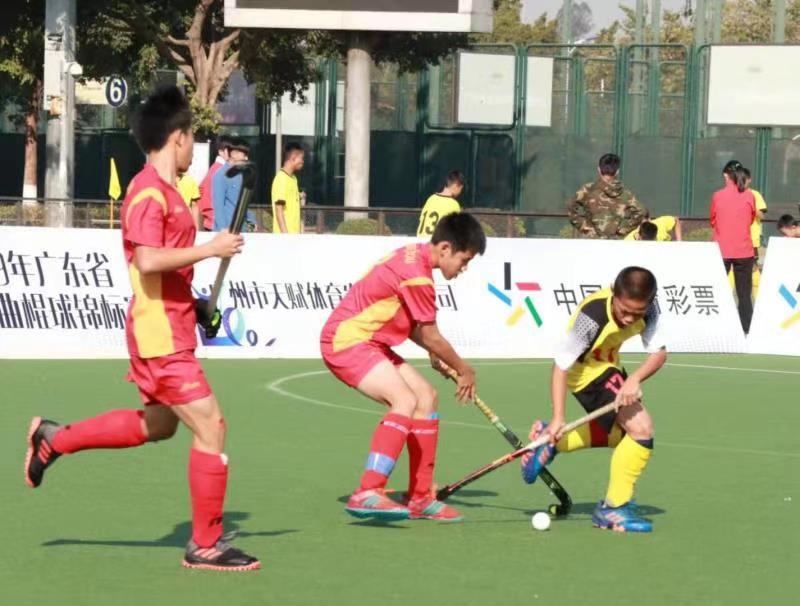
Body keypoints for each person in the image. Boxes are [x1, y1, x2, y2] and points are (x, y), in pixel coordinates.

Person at [23, 86, 260, 571]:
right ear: (178, 137)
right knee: (211, 426)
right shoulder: (149, 192)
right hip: (159, 335)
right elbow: (148, 260)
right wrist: (211, 249)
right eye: (192, 137)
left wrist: (195, 304)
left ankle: (54, 438)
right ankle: (205, 545)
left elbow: (165, 269)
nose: (192, 148)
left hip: (170, 325)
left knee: (160, 425)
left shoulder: (168, 192)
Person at [320, 213, 486, 522]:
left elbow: (417, 329)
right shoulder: (418, 276)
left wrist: (435, 352)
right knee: (404, 400)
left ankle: (420, 497)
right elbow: (431, 335)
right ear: (446, 248)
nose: (464, 268)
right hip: (347, 341)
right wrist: (465, 370)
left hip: (371, 341)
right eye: (464, 260)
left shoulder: (415, 256)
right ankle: (368, 491)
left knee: (426, 397)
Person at [520, 267, 666, 533]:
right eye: (624, 310)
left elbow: (659, 353)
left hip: (609, 365)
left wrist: (634, 379)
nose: (629, 319)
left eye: (637, 313)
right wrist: (558, 418)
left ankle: (556, 443)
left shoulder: (650, 309)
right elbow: (560, 366)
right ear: (613, 292)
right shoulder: (592, 316)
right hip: (584, 372)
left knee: (626, 438)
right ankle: (613, 509)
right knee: (641, 429)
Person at [710, 160, 756, 333]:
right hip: (744, 249)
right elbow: (751, 219)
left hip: (721, 249)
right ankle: (746, 327)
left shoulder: (717, 196)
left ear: (725, 175)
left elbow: (713, 220)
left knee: (717, 289)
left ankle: (717, 325)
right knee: (744, 293)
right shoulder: (749, 195)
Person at [568, 153, 647, 239]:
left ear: (599, 169)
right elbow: (641, 211)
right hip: (613, 240)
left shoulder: (588, 189)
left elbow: (571, 205)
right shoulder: (625, 194)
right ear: (617, 171)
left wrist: (582, 225)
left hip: (591, 239)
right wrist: (623, 229)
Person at [212, 137, 255, 232]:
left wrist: (251, 219)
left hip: (241, 229)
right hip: (227, 230)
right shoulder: (220, 175)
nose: (246, 158)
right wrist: (223, 229)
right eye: (244, 154)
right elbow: (218, 206)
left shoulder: (242, 175)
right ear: (233, 153)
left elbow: (242, 203)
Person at [416, 170, 465, 237]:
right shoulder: (453, 204)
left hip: (419, 240)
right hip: (434, 242)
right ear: (456, 185)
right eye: (461, 189)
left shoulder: (431, 198)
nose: (460, 192)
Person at [198, 136, 230, 230]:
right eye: (230, 150)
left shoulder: (216, 169)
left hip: (213, 221)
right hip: (217, 223)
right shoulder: (220, 171)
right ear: (220, 152)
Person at [271, 142, 305, 234]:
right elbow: (279, 209)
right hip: (285, 238)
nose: (302, 161)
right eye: (301, 158)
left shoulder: (294, 179)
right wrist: (286, 236)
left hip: (294, 236)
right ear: (293, 157)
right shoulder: (281, 179)